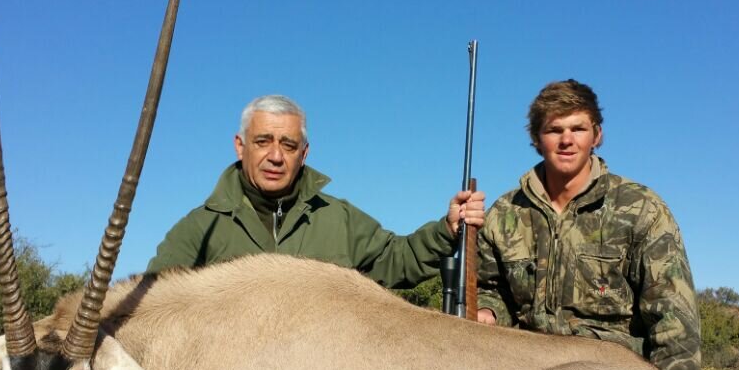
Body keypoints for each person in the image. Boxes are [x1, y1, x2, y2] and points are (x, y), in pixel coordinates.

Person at [475, 80, 701, 370]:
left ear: (597, 135)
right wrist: (488, 311)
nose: (566, 140)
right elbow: (489, 289)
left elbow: (675, 323)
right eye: (554, 130)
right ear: (536, 139)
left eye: (578, 129)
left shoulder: (640, 208)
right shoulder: (504, 213)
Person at [147, 94, 485, 287]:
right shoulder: (199, 228)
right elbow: (151, 302)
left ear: (304, 153)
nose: (275, 156)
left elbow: (395, 259)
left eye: (288, 145)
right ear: (240, 146)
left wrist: (446, 230)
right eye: (263, 141)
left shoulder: (338, 218)